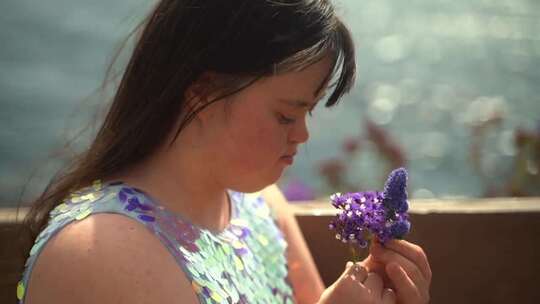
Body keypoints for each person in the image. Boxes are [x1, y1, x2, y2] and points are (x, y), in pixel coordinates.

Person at [17, 0, 431, 303]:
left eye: (308, 112)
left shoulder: (260, 208)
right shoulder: (97, 254)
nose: (303, 134)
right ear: (203, 95)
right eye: (287, 115)